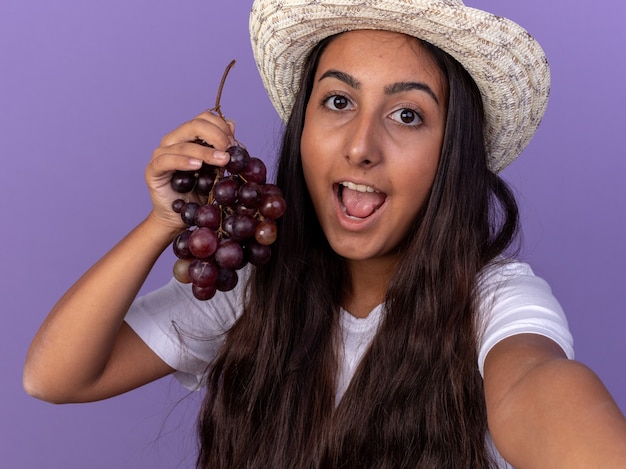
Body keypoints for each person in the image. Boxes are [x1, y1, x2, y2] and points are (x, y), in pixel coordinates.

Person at [23, 0, 626, 467]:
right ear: (303, 127)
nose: (361, 147)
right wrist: (163, 222)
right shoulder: (254, 289)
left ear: (452, 155)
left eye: (407, 115)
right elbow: (54, 375)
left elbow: (536, 381)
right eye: (338, 101)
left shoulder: (495, 301)